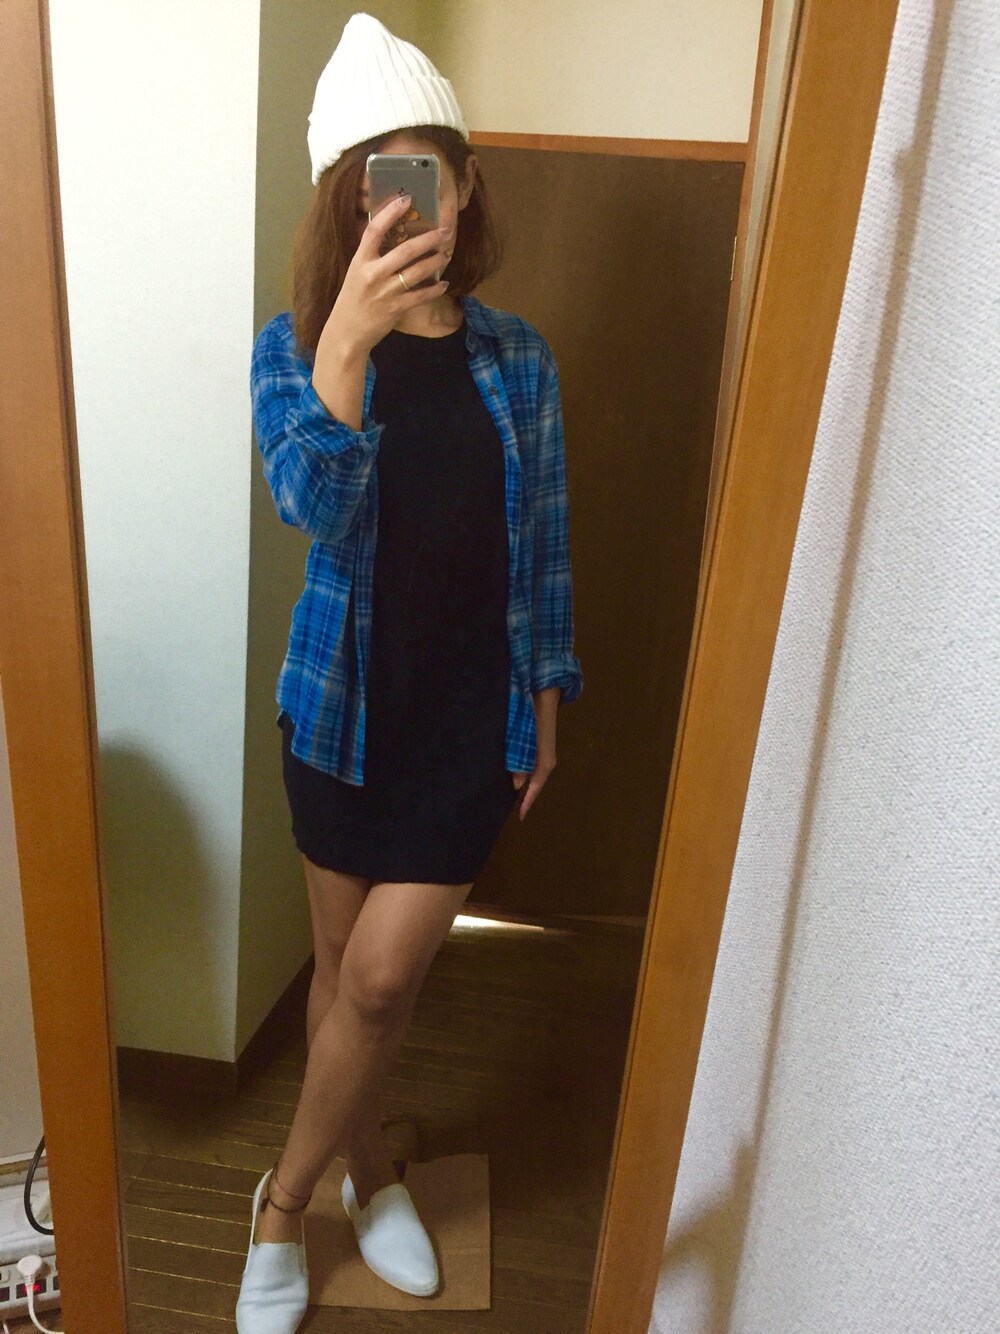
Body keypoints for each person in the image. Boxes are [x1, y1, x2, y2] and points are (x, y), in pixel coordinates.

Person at [236, 13, 583, 1332]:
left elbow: (544, 542)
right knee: (340, 974)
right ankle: (370, 1171)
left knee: (380, 981)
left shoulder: (519, 360)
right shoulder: (293, 350)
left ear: (465, 182)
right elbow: (311, 507)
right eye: (375, 179)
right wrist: (346, 348)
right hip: (339, 716)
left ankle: (281, 1205)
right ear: (345, 201)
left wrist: (547, 699)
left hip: (464, 728)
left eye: (424, 170)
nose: (402, 203)